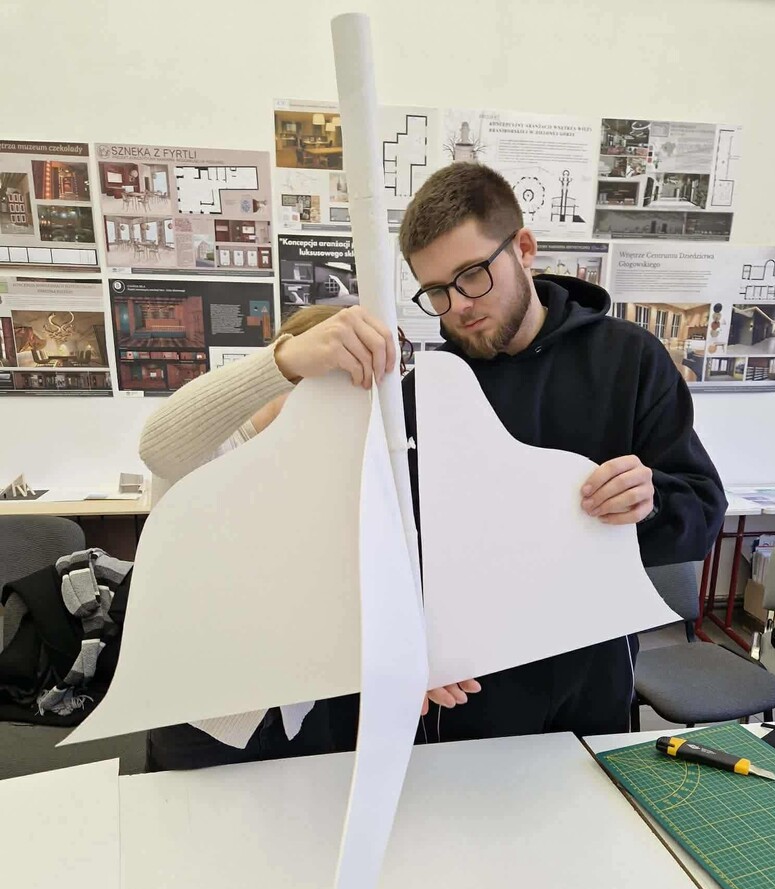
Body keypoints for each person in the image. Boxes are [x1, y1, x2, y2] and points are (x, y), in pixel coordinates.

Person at [394, 162, 727, 742]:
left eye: (472, 275)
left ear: (523, 249)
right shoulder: (427, 388)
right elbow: (395, 540)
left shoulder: (630, 360)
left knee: (590, 796)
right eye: (437, 292)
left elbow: (702, 513)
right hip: (471, 680)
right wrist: (407, 637)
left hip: (593, 668)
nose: (459, 305)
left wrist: (649, 501)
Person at [139, 303, 399, 769]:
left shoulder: (333, 462)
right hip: (199, 716)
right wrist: (286, 358)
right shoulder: (218, 445)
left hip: (298, 707)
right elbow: (158, 447)